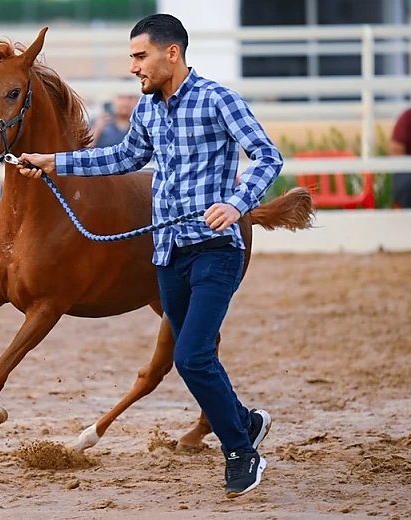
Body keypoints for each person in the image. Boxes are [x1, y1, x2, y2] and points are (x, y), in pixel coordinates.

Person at [14, 13, 282, 498]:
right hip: (167, 252)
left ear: (171, 53)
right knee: (191, 358)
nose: (134, 67)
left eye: (140, 56)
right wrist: (52, 162)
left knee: (192, 355)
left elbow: (268, 156)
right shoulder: (149, 110)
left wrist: (238, 203)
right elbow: (121, 158)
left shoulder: (217, 99)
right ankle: (245, 420)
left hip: (215, 250)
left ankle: (241, 450)